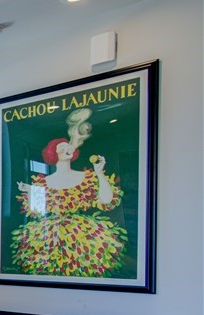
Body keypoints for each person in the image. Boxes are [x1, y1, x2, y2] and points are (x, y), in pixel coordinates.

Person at [12, 108, 125, 277]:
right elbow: (36, 211)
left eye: (68, 145)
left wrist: (99, 172)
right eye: (62, 146)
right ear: (53, 153)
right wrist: (31, 191)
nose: (67, 147)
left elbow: (106, 200)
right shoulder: (44, 182)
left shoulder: (86, 176)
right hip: (49, 237)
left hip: (83, 236)